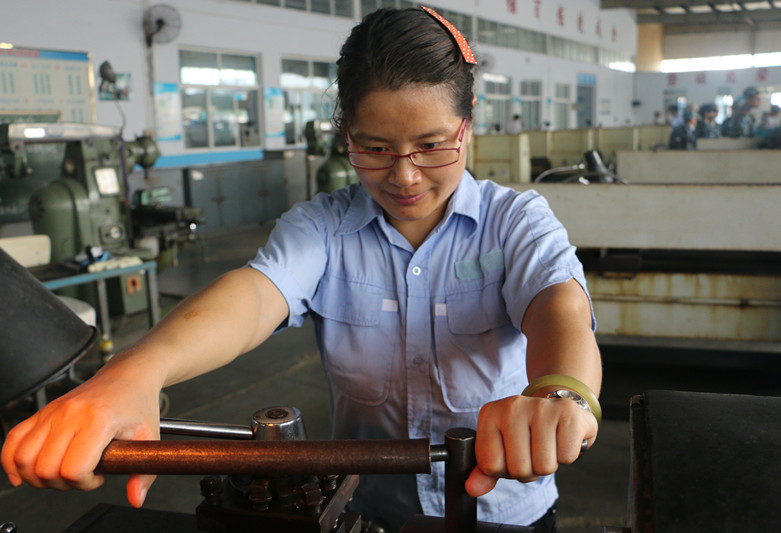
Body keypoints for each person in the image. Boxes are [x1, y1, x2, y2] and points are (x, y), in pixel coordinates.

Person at [1, 7, 601, 533]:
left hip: (503, 512)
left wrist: (559, 394)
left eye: (433, 145)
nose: (405, 174)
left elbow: (560, 308)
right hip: (365, 509)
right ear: (345, 135)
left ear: (469, 125)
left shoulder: (515, 219)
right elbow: (255, 298)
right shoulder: (323, 229)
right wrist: (137, 372)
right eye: (374, 148)